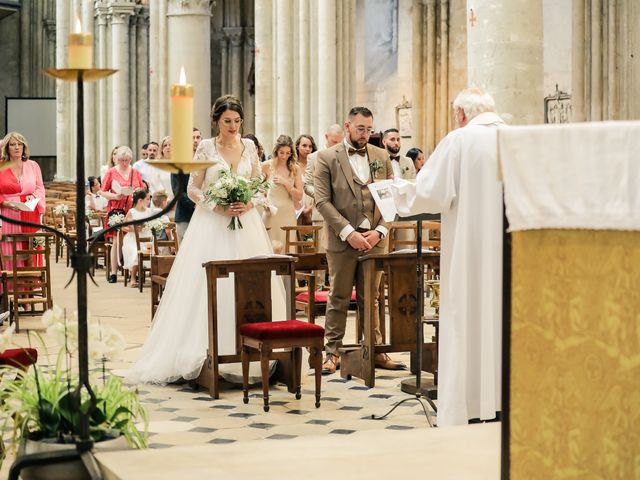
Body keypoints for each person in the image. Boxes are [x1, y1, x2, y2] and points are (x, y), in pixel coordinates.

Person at [126, 94, 286, 385]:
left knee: (250, 285)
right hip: (212, 224)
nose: (233, 126)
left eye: (237, 121)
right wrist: (218, 206)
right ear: (216, 121)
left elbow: (261, 185)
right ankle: (208, 352)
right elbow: (193, 189)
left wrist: (250, 203)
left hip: (247, 224)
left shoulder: (249, 146)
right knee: (209, 287)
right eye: (227, 121)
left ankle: (249, 347)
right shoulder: (206, 147)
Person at [392, 87, 505, 427]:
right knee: (501, 317)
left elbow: (430, 193)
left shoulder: (459, 140)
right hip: (509, 250)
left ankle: (466, 405)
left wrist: (396, 190)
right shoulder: (516, 138)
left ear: (460, 114)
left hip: (469, 251)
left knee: (467, 316)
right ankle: (503, 399)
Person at [314, 107, 406, 374]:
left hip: (375, 239)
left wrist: (380, 231)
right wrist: (348, 233)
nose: (365, 134)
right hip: (342, 240)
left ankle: (374, 350)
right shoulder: (326, 158)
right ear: (347, 126)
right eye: (360, 129)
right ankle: (332, 352)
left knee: (373, 297)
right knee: (339, 296)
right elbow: (322, 200)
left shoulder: (381, 156)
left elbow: (392, 199)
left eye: (369, 129)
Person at [0, 132, 46, 271]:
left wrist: (33, 197)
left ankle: (31, 284)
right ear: (7, 148)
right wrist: (5, 203)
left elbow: (40, 188)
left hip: (29, 212)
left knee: (31, 248)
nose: (16, 147)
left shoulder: (33, 166)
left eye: (20, 144)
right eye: (13, 144)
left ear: (24, 147)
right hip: (9, 213)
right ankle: (12, 285)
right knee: (10, 249)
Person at [100, 146, 144, 283]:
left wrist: (136, 191)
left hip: (131, 210)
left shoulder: (135, 172)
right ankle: (113, 272)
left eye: (127, 160)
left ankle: (133, 272)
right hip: (116, 209)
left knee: (132, 238)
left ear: (130, 159)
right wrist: (115, 196)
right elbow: (102, 191)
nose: (124, 163)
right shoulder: (111, 172)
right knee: (117, 240)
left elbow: (142, 189)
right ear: (116, 159)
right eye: (121, 160)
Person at [261, 135, 303, 253]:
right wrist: (264, 202)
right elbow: (256, 190)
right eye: (281, 153)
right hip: (271, 214)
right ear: (276, 151)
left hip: (288, 214)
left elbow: (299, 196)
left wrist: (287, 184)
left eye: (288, 153)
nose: (284, 156)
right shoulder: (266, 166)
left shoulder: (295, 169)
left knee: (287, 248)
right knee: (269, 248)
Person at [171, 128, 200, 242]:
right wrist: (195, 204)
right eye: (192, 138)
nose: (195, 140)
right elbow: (177, 191)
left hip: (204, 216)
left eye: (198, 137)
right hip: (185, 215)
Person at [121, 189, 153, 288]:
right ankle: (133, 277)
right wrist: (134, 230)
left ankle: (154, 276)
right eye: (147, 199)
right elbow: (123, 227)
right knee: (135, 251)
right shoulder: (132, 212)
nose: (149, 201)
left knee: (156, 250)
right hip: (132, 239)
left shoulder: (149, 211)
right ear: (140, 200)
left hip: (146, 238)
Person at [294, 134, 317, 225]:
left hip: (312, 204)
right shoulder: (292, 166)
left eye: (310, 146)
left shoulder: (316, 164)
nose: (307, 149)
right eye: (304, 146)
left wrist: (310, 208)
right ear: (297, 147)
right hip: (296, 206)